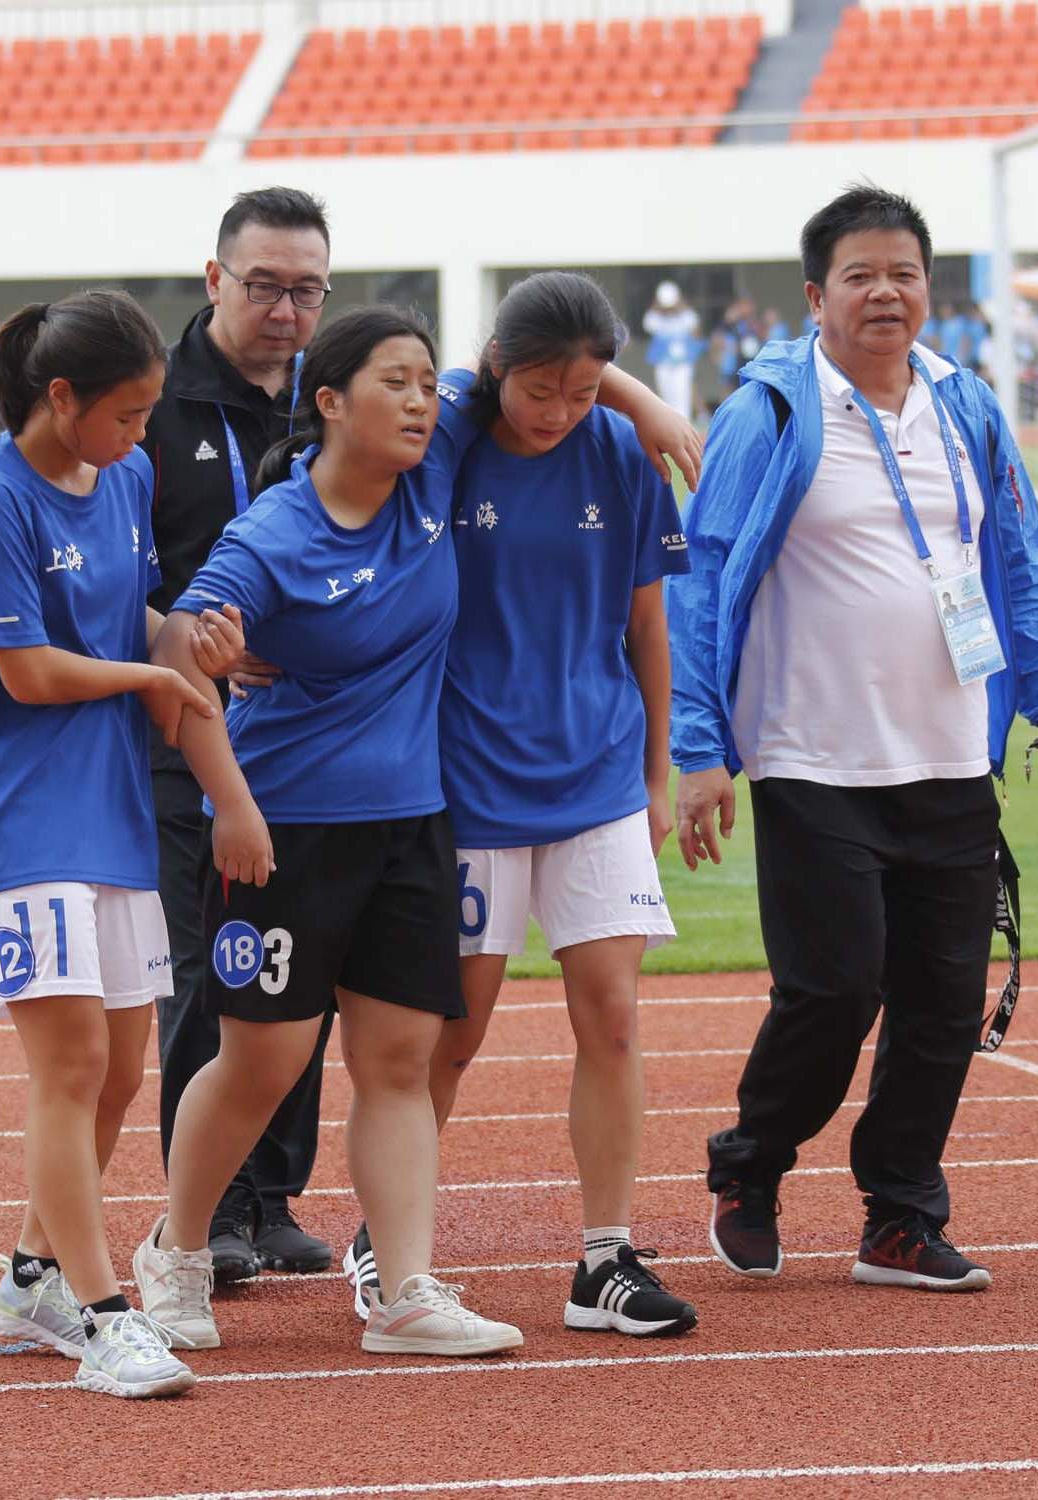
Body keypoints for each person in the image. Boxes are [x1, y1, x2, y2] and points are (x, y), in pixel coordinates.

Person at [134, 305, 700, 1358]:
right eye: (395, 382)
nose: (421, 400)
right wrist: (233, 798)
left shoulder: (431, 478)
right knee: (261, 1064)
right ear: (330, 400)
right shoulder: (275, 533)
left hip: (413, 826)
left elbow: (549, 364)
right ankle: (174, 1249)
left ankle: (401, 1292)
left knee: (400, 1064)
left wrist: (646, 400)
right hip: (286, 830)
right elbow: (176, 655)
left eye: (429, 383)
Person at [668, 185, 1038, 1294]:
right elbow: (703, 582)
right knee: (832, 991)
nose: (885, 292)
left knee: (943, 1004)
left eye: (903, 273)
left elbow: (1024, 562)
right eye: (859, 275)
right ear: (816, 297)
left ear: (928, 290)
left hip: (952, 755)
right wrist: (699, 745)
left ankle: (899, 1215)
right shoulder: (766, 412)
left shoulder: (967, 406)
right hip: (816, 757)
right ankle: (750, 1166)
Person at [341, 272, 699, 1339]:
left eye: (585, 392)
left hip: (594, 769)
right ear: (495, 370)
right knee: (453, 1034)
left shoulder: (621, 456)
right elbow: (453, 380)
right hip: (469, 783)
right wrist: (641, 391)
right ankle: (384, 1245)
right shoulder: (447, 442)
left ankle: (605, 1258)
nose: (560, 411)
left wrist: (655, 769)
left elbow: (648, 624)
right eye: (541, 388)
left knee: (616, 1017)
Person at [0, 289, 258, 1399]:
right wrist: (153, 674)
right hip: (18, 813)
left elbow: (140, 617)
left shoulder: (121, 475)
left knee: (125, 1067)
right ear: (59, 397)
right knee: (71, 1066)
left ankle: (31, 1276)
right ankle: (105, 1312)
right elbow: (26, 673)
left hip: (110, 807)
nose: (139, 437)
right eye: (125, 415)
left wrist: (195, 640)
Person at [139, 186, 337, 1283]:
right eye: (263, 286)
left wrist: (637, 403)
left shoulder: (342, 393)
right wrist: (191, 634)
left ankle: (271, 1199)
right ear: (216, 279)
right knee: (210, 971)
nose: (284, 310)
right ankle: (203, 1205)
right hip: (184, 741)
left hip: (313, 745)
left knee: (300, 967)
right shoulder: (156, 407)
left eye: (306, 289)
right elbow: (113, 569)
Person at [641, 279, 702, 423]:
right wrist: (657, 306)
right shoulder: (655, 318)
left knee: (682, 394)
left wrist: (680, 306)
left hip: (682, 363)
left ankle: (684, 424)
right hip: (663, 362)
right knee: (666, 394)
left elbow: (695, 329)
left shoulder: (686, 316)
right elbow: (647, 324)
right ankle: (669, 424)